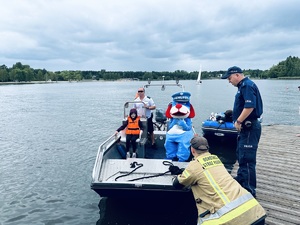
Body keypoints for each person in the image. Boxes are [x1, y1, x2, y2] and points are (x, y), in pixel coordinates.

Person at [172, 136, 266, 225]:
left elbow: (178, 184)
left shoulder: (194, 166)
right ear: (207, 149)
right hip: (256, 213)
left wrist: (179, 173)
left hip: (234, 220)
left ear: (192, 150)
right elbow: (205, 171)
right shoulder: (216, 159)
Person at [221, 66, 263, 198]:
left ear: (237, 75)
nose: (229, 81)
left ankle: (249, 191)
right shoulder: (244, 86)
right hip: (246, 128)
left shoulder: (246, 85)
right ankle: (241, 181)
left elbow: (250, 106)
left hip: (249, 128)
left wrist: (238, 121)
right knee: (241, 155)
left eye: (229, 78)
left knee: (247, 159)